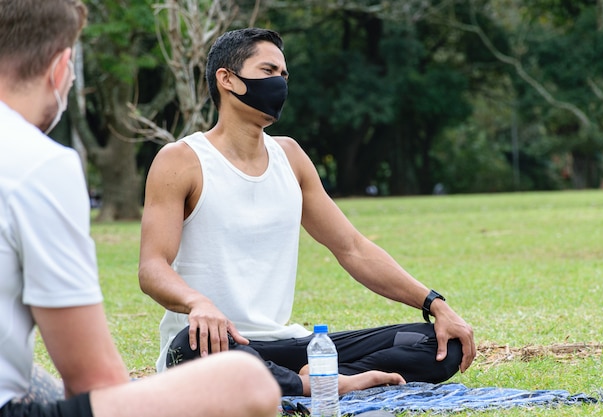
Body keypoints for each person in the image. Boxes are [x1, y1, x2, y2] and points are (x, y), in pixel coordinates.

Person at [138, 27, 476, 397]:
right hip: (213, 344)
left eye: (284, 76)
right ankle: (311, 383)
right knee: (190, 347)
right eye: (269, 72)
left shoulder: (291, 157)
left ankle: (314, 380)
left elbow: (352, 247)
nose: (280, 83)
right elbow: (153, 267)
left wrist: (435, 303)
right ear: (227, 80)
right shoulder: (181, 160)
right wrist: (197, 302)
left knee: (440, 344)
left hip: (285, 345)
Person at [0, 2, 281, 417]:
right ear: (61, 68)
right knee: (244, 378)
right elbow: (92, 379)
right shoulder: (40, 162)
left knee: (38, 379)